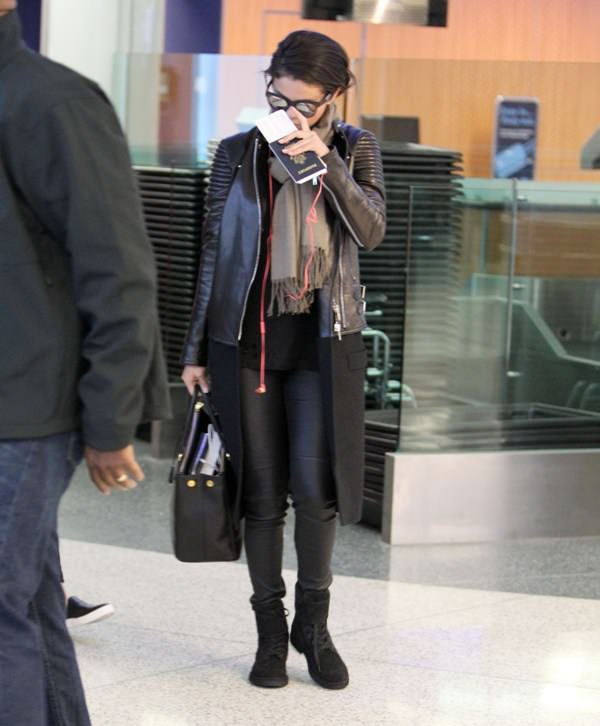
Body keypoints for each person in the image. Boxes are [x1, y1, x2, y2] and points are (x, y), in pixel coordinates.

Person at [182, 29, 386, 690]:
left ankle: (314, 628)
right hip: (247, 345)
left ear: (335, 96)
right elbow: (213, 251)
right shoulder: (236, 152)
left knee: (316, 492)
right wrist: (193, 349)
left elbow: (372, 231)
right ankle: (270, 633)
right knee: (263, 496)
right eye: (278, 98)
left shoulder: (355, 147)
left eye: (305, 104)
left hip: (322, 344)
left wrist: (325, 162)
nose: (290, 114)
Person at [0, 5, 170, 725]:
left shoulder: (54, 101)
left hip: (27, 412)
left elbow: (118, 270)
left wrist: (110, 420)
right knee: (32, 599)